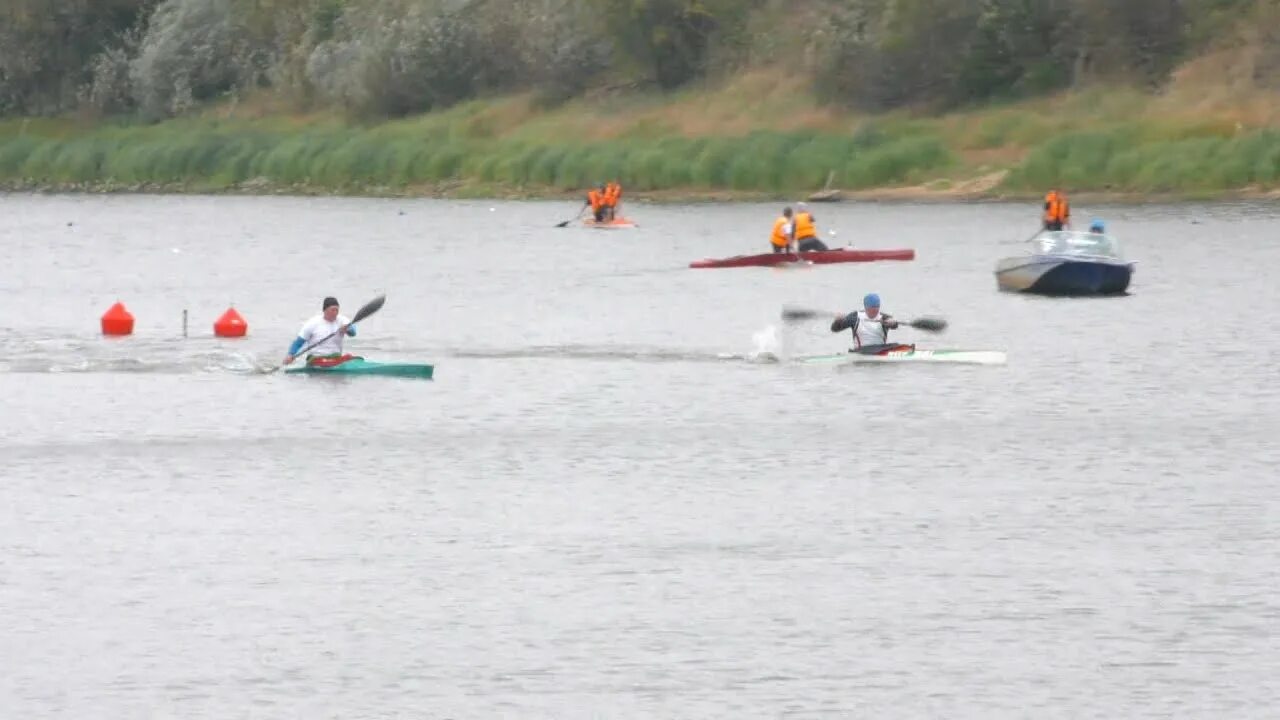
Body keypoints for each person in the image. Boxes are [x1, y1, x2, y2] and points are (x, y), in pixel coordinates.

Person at [282, 296, 357, 366]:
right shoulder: (313, 323)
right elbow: (298, 343)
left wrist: (347, 329)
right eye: (332, 310)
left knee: (350, 357)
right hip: (316, 359)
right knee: (328, 362)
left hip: (335, 357)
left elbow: (353, 333)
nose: (335, 313)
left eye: (337, 310)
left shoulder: (342, 320)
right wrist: (290, 355)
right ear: (325, 310)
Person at [829, 293, 909, 353]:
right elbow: (834, 329)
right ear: (866, 307)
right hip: (861, 351)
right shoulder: (855, 317)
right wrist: (838, 321)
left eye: (877, 308)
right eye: (872, 308)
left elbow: (894, 326)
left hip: (881, 349)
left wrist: (893, 323)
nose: (875, 311)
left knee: (897, 345)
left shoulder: (884, 318)